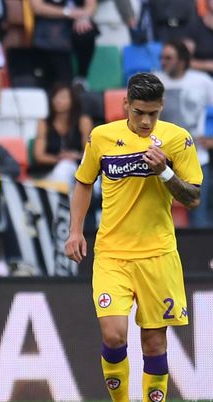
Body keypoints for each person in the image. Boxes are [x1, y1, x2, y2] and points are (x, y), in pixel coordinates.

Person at [64, 73, 202, 402]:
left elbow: (193, 197)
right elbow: (83, 182)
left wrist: (165, 172)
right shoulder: (102, 137)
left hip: (158, 254)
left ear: (162, 107)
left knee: (154, 343)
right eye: (139, 112)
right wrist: (74, 231)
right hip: (112, 253)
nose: (146, 121)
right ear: (125, 104)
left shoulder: (177, 139)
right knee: (113, 335)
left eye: (153, 113)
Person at [155, 40, 213, 228]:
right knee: (157, 215)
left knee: (199, 214)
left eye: (168, 58)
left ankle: (204, 257)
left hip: (197, 157)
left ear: (182, 60)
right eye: (161, 57)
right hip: (160, 158)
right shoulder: (155, 80)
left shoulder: (202, 81)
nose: (163, 62)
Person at [29, 82, 92, 185]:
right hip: (49, 169)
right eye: (55, 97)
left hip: (79, 165)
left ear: (72, 100)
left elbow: (90, 152)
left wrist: (75, 156)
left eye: (62, 97)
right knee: (64, 167)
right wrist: (60, 159)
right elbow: (39, 155)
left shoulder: (83, 121)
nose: (57, 100)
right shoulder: (44, 123)